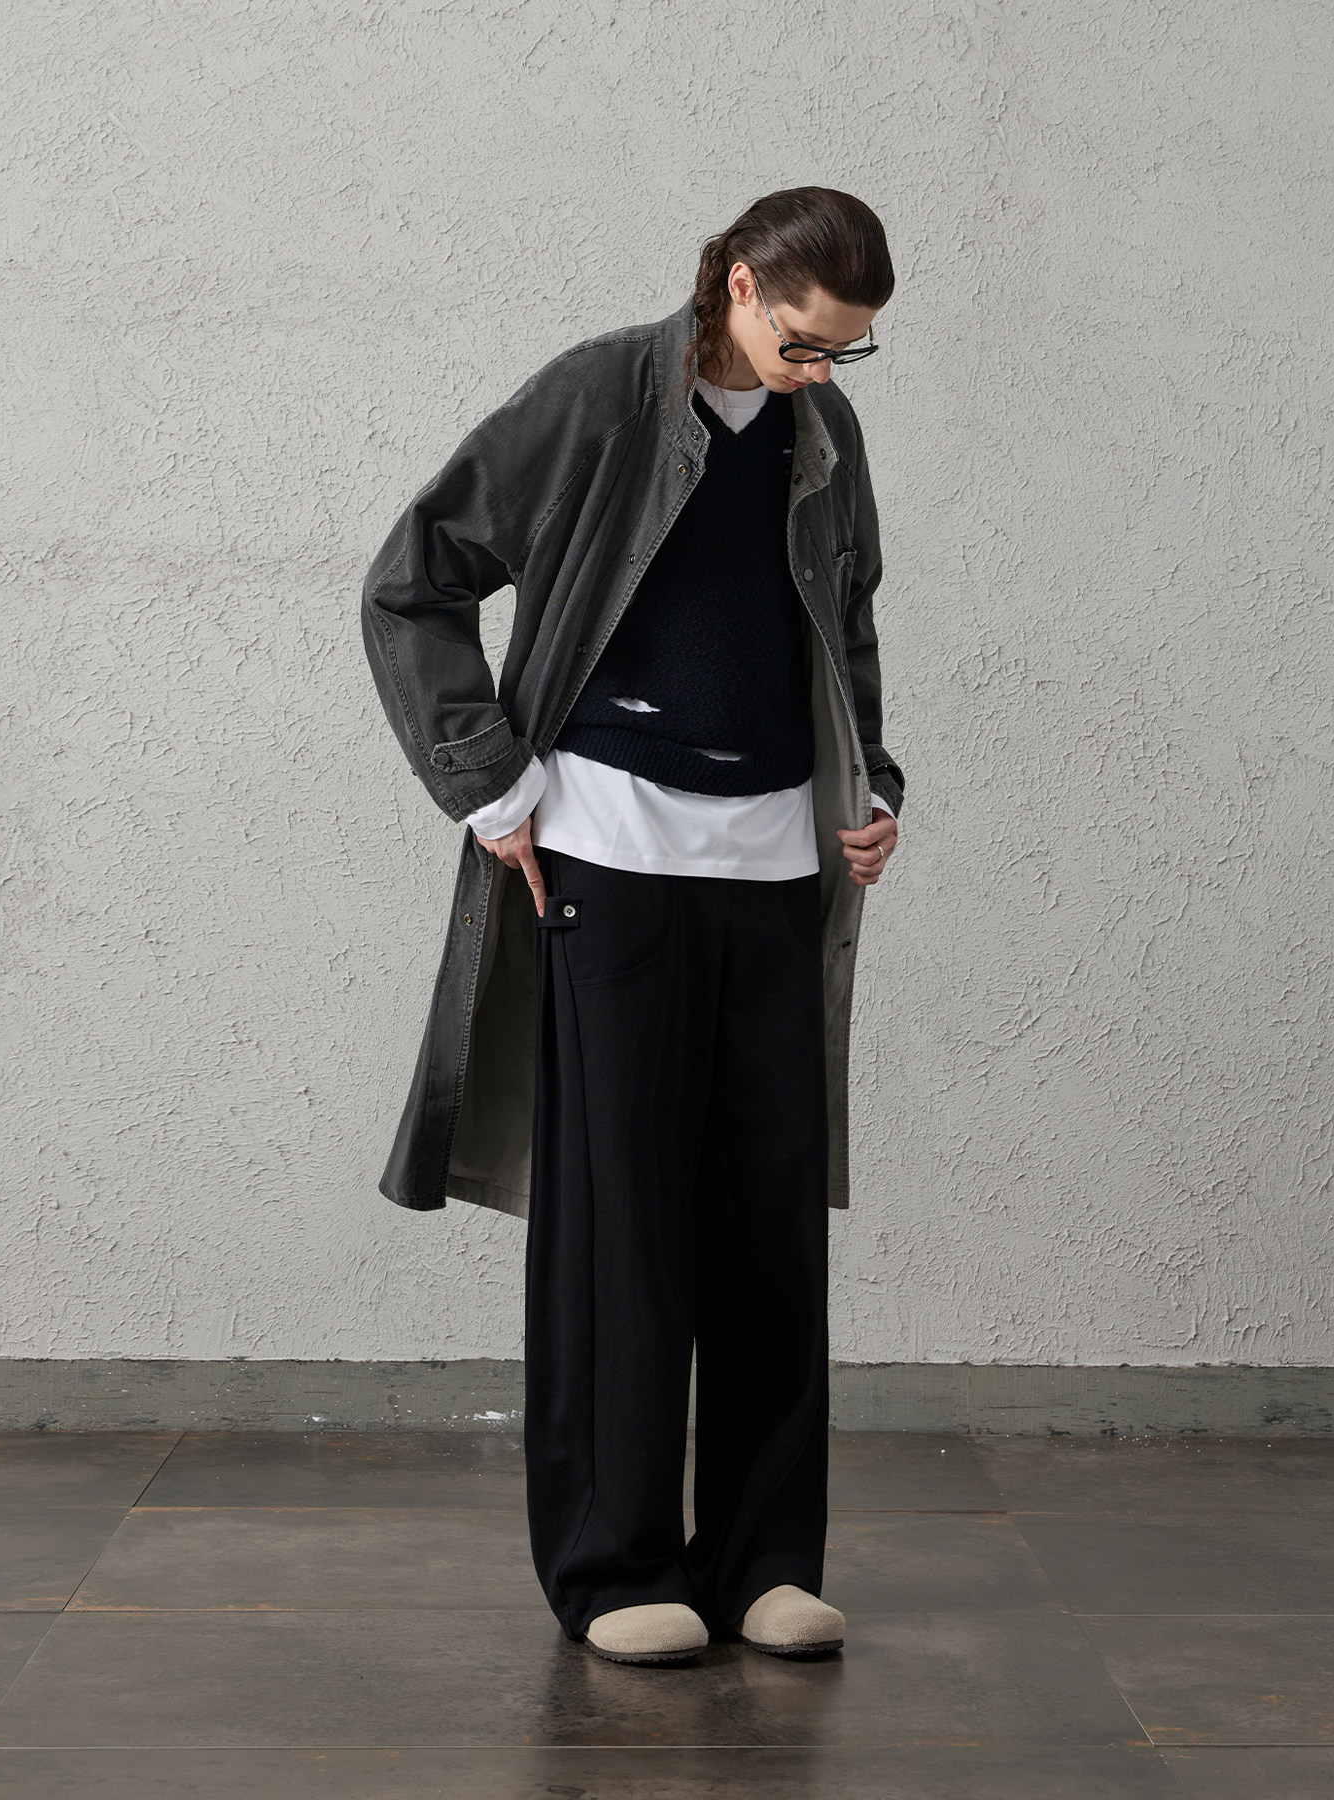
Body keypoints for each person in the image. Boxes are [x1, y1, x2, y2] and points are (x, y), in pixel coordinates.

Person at [359, 186, 903, 1666]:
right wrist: (489, 781)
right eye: (804, 341)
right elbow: (413, 583)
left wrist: (871, 783)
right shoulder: (599, 396)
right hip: (610, 858)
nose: (822, 372)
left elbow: (846, 622)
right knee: (622, 1220)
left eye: (847, 352)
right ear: (738, 287)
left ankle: (767, 1560)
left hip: (778, 868)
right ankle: (614, 1568)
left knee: (771, 1224)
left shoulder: (822, 436)